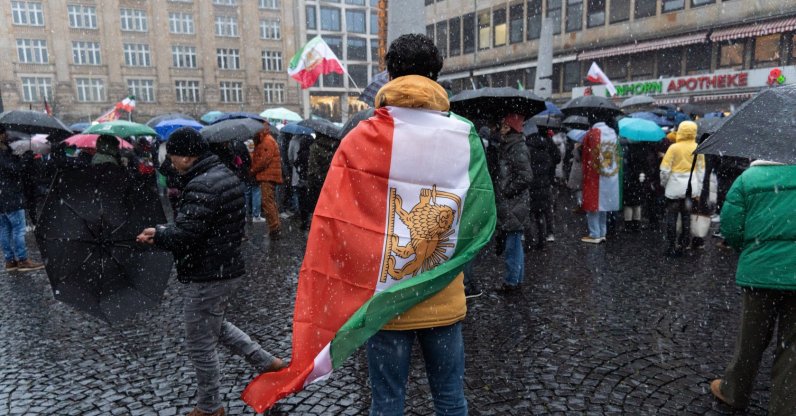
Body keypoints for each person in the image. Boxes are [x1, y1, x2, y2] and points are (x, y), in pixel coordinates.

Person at [136, 127, 284, 416]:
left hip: (207, 272)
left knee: (200, 343)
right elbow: (201, 226)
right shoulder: (220, 173)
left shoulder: (202, 184)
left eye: (174, 157)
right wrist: (166, 231)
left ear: (188, 156)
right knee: (216, 326)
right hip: (223, 267)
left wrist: (159, 235)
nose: (172, 163)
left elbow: (189, 234)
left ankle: (210, 406)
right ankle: (266, 362)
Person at [365, 33, 471, 416]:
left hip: (385, 298)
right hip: (443, 291)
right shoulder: (465, 135)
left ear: (389, 73)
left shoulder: (364, 136)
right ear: (436, 75)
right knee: (449, 398)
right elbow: (477, 214)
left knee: (388, 401)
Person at [710, 159, 796, 415]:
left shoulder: (748, 179)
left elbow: (731, 226)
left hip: (759, 272)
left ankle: (734, 391)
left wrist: (750, 251)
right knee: (793, 345)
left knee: (751, 338)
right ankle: (784, 406)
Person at [495, 113, 533, 290]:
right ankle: (517, 279)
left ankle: (511, 281)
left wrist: (507, 190)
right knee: (515, 241)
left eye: (503, 125)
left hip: (514, 203)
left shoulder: (516, 147)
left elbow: (525, 176)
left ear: (510, 128)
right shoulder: (511, 145)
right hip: (514, 203)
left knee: (513, 243)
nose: (500, 128)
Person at [0, 127, 44, 272]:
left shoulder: (6, 152)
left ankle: (10, 261)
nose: (6, 135)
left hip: (3, 196)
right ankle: (23, 260)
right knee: (18, 230)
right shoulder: (3, 154)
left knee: (5, 229)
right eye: (3, 133)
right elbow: (14, 170)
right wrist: (26, 159)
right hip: (10, 196)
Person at [659, 121, 704, 256]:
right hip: (691, 189)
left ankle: (671, 246)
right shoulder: (698, 147)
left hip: (674, 188)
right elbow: (701, 171)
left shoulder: (674, 148)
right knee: (686, 218)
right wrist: (699, 190)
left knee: (671, 218)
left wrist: (664, 183)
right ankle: (684, 245)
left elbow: (665, 170)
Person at [580, 121, 620, 243]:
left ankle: (594, 234)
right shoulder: (613, 133)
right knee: (604, 205)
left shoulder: (591, 134)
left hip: (594, 176)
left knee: (593, 206)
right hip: (610, 175)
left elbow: (586, 155)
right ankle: (603, 232)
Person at [250, 125, 283, 239]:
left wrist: (252, 170)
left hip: (268, 176)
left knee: (267, 202)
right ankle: (275, 228)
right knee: (270, 202)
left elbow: (264, 160)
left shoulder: (267, 141)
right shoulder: (265, 139)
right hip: (268, 175)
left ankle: (274, 229)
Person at [525, 131, 554, 250]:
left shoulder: (529, 153)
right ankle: (542, 242)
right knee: (540, 216)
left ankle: (529, 242)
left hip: (532, 188)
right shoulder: (546, 154)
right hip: (544, 188)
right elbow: (550, 169)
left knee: (528, 216)